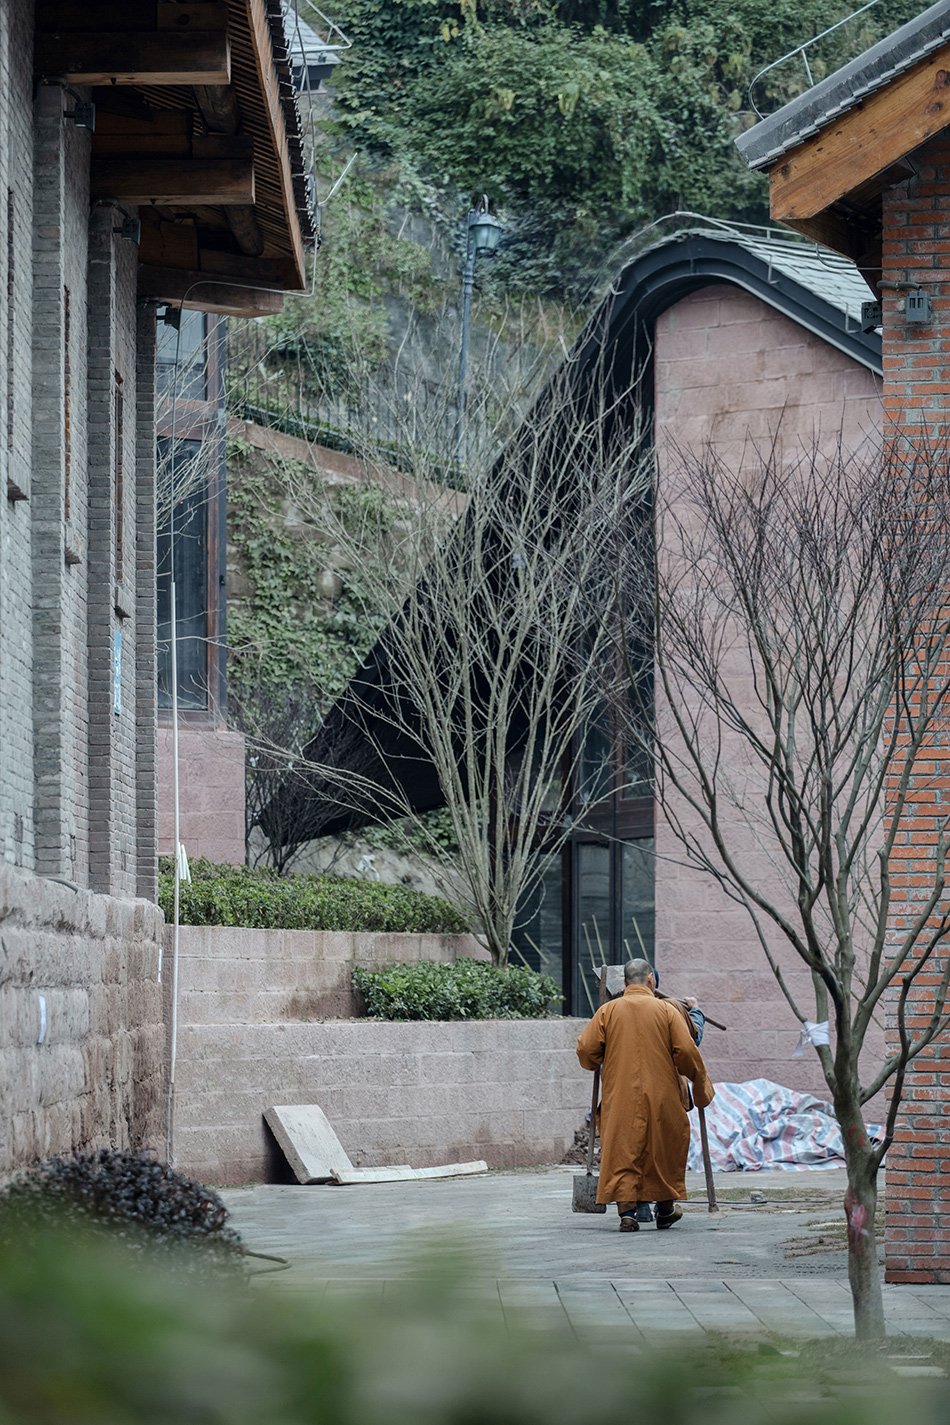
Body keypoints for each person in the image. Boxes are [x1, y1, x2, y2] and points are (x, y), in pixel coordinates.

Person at [576, 958, 714, 1232]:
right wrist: (700, 1085)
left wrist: (597, 1059)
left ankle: (627, 1213)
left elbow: (586, 1050)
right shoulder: (667, 1010)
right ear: (650, 979)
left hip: (620, 1096)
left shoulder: (607, 1011)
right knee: (664, 1148)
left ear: (626, 982)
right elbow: (687, 1051)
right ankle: (665, 1208)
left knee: (622, 1149)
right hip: (663, 1095)